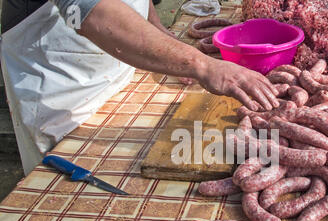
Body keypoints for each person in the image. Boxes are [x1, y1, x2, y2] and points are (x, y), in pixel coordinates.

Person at [0, 0, 278, 175]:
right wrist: (203, 66)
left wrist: (157, 30)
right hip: (63, 92)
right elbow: (91, 13)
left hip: (117, 73)